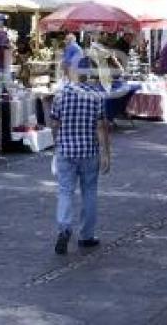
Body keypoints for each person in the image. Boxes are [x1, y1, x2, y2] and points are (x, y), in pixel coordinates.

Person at [50, 57, 111, 255]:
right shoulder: (97, 95)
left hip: (66, 150)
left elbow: (54, 123)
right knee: (89, 192)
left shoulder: (61, 95)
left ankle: (64, 228)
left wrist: (56, 143)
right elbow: (101, 127)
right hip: (89, 151)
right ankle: (86, 236)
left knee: (65, 191)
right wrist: (106, 154)